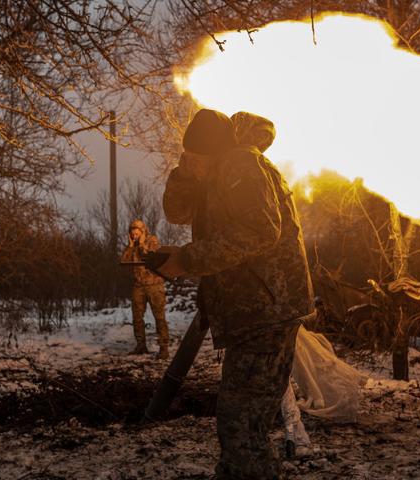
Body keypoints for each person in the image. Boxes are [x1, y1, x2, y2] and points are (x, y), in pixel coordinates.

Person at [160, 109, 315, 479]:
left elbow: (261, 230)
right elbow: (175, 212)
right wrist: (186, 171)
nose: (191, 163)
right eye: (187, 157)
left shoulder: (240, 165)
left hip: (266, 312)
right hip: (255, 314)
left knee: (241, 428)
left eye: (196, 157)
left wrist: (188, 259)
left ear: (212, 153)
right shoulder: (214, 173)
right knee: (242, 428)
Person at [120, 219, 169, 359]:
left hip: (154, 285)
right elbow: (124, 261)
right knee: (137, 318)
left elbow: (149, 255)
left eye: (137, 233)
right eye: (132, 233)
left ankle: (164, 348)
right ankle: (141, 345)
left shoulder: (152, 240)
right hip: (139, 286)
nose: (134, 235)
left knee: (159, 318)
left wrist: (141, 244)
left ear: (143, 231)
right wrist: (130, 246)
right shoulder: (132, 245)